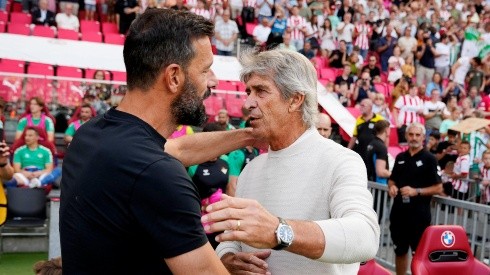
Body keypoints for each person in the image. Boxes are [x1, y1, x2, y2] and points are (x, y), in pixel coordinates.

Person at [60, 9, 257, 274]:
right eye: (206, 70)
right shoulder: (157, 173)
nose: (213, 81)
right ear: (174, 77)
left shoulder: (92, 134)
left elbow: (177, 149)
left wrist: (251, 135)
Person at [204, 49, 379, 274]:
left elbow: (365, 236)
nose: (248, 103)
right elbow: (233, 238)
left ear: (295, 100)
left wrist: (279, 231)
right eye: (248, 91)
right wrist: (227, 258)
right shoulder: (252, 169)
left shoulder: (341, 160)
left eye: (261, 91)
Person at [388, 122, 443, 275]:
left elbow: (438, 187)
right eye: (411, 134)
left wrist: (416, 191)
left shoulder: (429, 158)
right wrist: (391, 186)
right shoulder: (400, 157)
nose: (414, 138)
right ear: (406, 136)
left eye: (417, 135)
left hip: (419, 216)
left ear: (423, 137)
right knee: (399, 251)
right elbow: (392, 179)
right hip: (399, 214)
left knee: (418, 255)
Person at [348, 98, 384, 163]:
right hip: (361, 152)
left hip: (374, 152)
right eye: (360, 105)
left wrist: (384, 150)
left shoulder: (379, 119)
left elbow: (385, 135)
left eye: (363, 105)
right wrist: (348, 150)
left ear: (370, 107)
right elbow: (354, 136)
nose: (361, 107)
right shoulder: (359, 119)